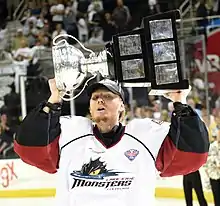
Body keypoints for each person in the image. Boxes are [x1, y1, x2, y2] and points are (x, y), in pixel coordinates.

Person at [14, 78, 209, 206]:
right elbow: (28, 147)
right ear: (89, 107)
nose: (100, 100)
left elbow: (193, 154)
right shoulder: (71, 133)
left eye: (108, 97)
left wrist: (179, 101)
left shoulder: (144, 136)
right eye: (95, 97)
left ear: (122, 107)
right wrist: (53, 100)